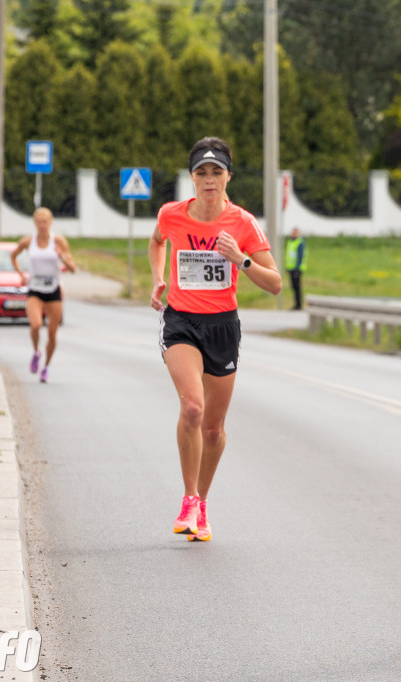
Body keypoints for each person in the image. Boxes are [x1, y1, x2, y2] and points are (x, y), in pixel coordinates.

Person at [149, 137, 281, 542]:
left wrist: (239, 258)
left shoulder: (242, 222)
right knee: (192, 407)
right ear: (191, 178)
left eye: (216, 172)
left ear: (228, 177)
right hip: (181, 321)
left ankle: (202, 503)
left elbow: (275, 284)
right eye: (201, 172)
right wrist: (159, 279)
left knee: (213, 427)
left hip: (222, 325)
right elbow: (157, 242)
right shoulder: (172, 214)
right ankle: (188, 499)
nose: (209, 180)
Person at [11, 207, 76, 383]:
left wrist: (62, 257)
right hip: (35, 289)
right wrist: (21, 274)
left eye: (45, 222)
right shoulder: (27, 241)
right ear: (35, 224)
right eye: (39, 222)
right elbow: (13, 255)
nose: (42, 225)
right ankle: (36, 352)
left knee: (53, 334)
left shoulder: (59, 241)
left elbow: (73, 268)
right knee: (35, 325)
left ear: (50, 223)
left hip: (53, 290)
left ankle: (46, 367)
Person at [284, 227, 307, 310]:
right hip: (291, 268)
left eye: (295, 232)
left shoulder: (299, 242)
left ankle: (299, 305)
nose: (293, 234)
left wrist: (297, 267)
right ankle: (296, 304)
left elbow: (300, 256)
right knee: (293, 287)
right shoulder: (290, 242)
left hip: (297, 269)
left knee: (297, 287)